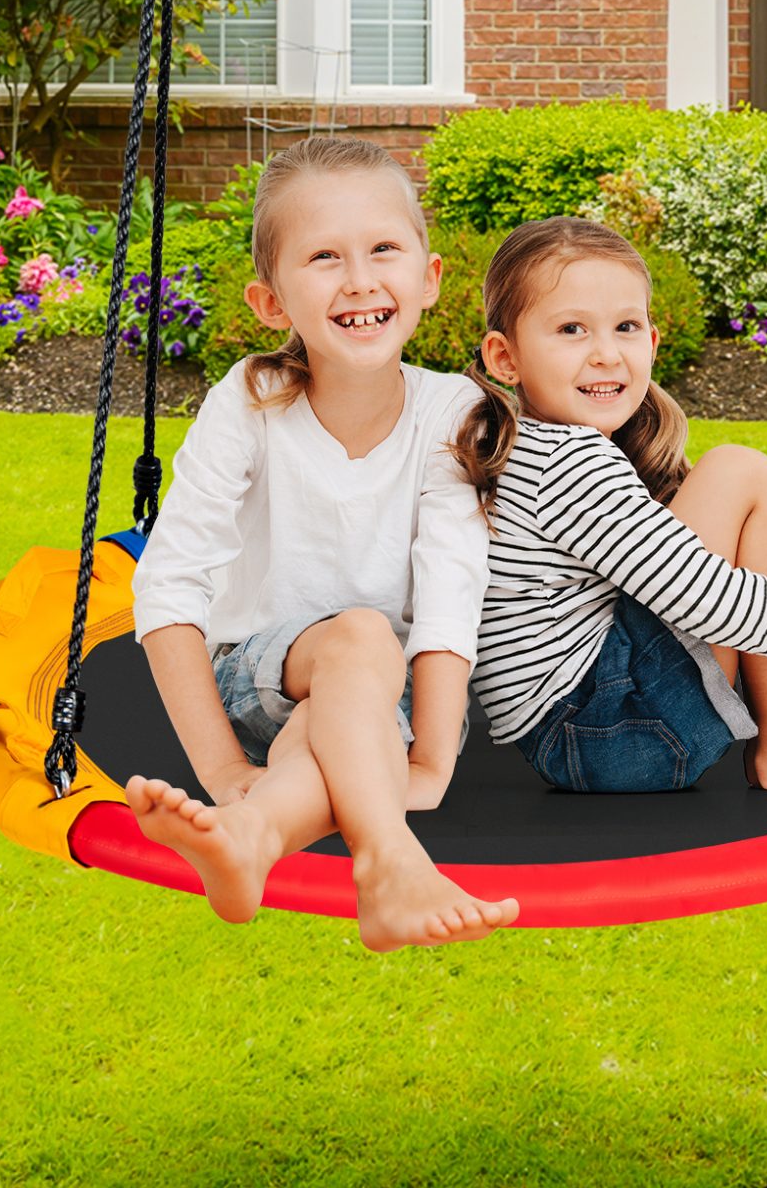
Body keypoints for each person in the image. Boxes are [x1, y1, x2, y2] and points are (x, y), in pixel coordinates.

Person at [127, 137, 519, 950]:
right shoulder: (249, 402)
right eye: (323, 257)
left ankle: (253, 839)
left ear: (429, 279)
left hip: (390, 713)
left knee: (347, 701)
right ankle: (387, 862)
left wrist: (435, 760)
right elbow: (168, 585)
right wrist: (223, 771)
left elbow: (453, 593)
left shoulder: (454, 411)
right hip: (257, 677)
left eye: (384, 249)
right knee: (360, 634)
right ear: (272, 304)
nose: (360, 280)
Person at [451, 216, 767, 795]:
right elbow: (700, 592)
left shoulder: (531, 448)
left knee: (732, 488)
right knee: (741, 472)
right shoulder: (567, 462)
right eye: (572, 329)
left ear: (652, 343)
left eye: (626, 326)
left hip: (590, 733)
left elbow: (677, 566)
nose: (606, 353)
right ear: (505, 358)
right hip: (617, 728)